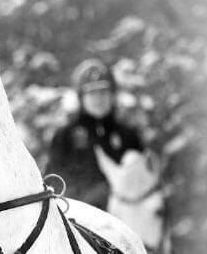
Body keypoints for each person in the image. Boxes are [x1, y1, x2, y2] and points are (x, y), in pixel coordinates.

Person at [45, 59, 146, 211]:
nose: (99, 98)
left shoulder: (128, 135)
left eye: (103, 92)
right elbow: (55, 185)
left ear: (112, 95)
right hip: (81, 218)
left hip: (127, 216)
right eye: (92, 92)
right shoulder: (65, 136)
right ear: (81, 97)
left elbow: (144, 182)